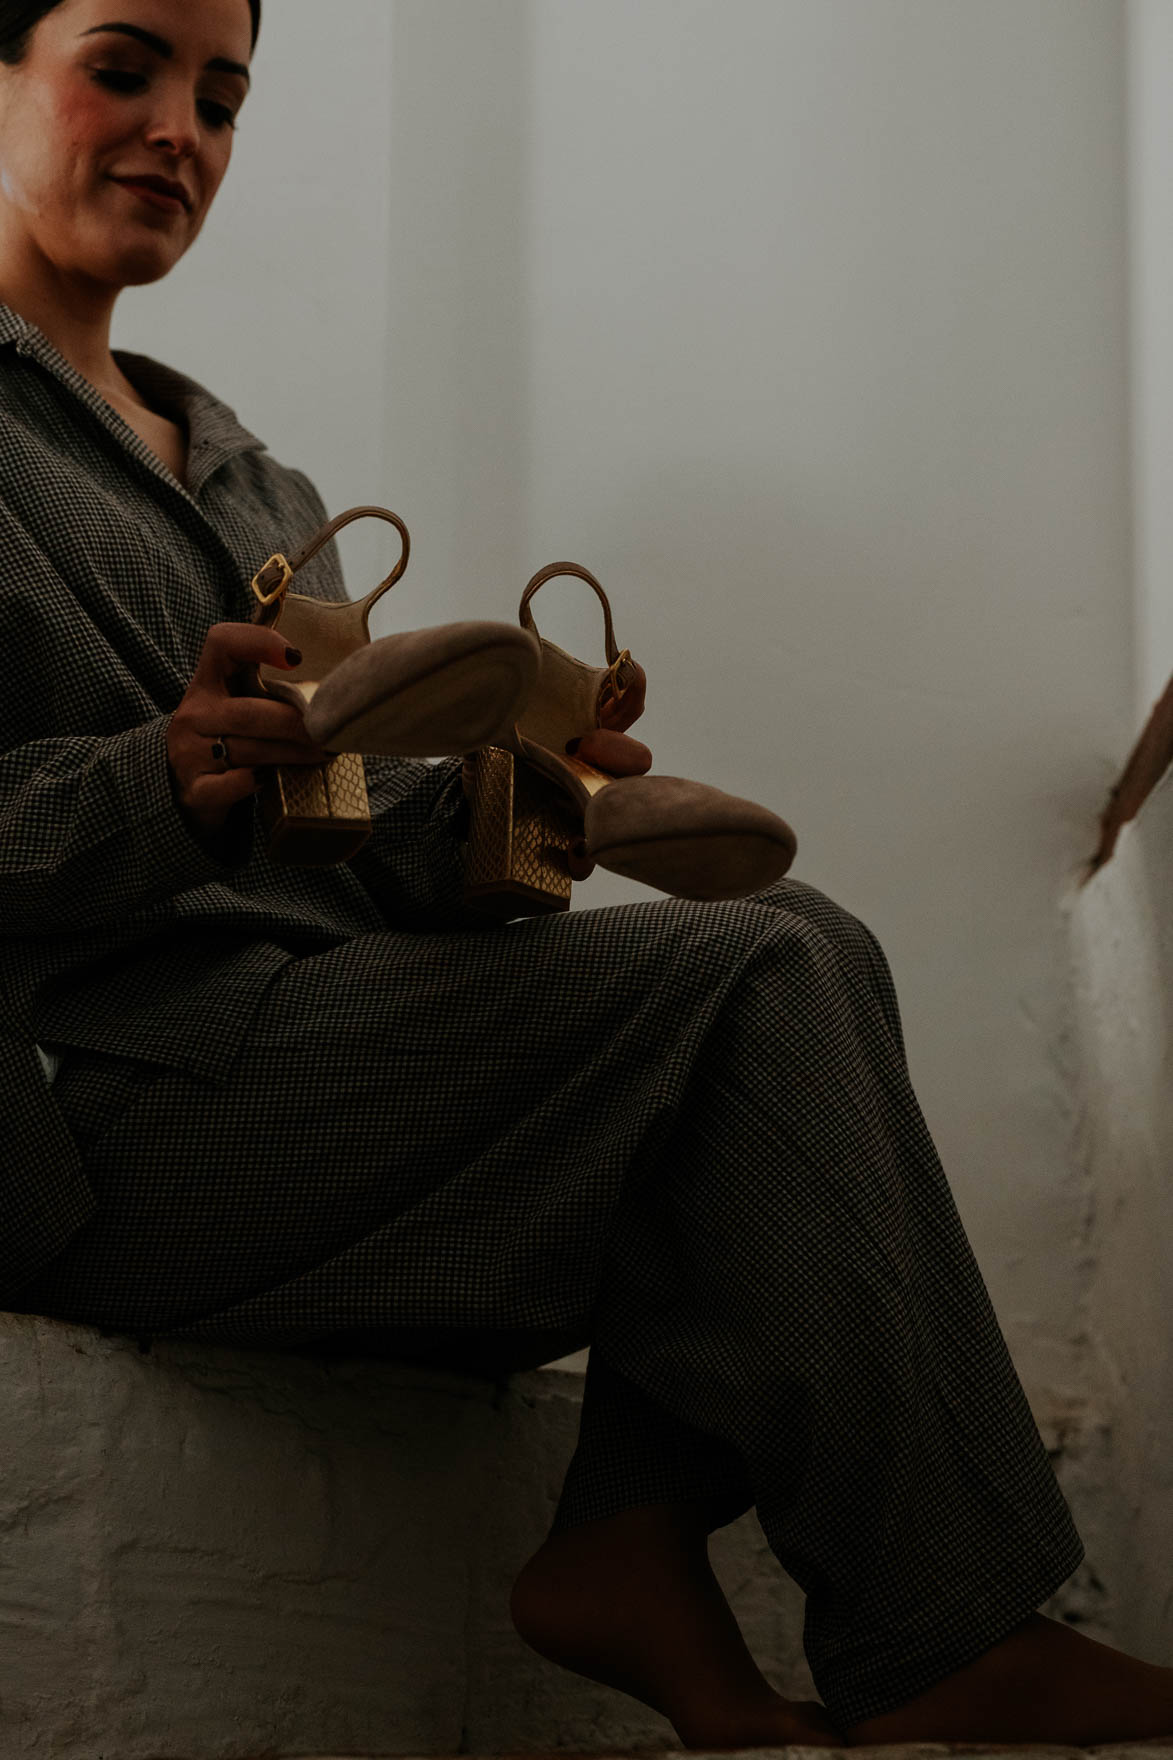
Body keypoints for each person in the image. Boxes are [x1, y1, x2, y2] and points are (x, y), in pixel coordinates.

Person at [1, 0, 1171, 1748]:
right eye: (125, 68)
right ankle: (940, 1629)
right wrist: (151, 783)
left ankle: (633, 1535)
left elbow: (329, 830)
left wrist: (511, 798)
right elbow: (175, 807)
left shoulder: (257, 484)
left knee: (784, 934)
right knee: (755, 980)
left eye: (223, 97)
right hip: (101, 1106)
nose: (183, 129)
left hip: (316, 1051)